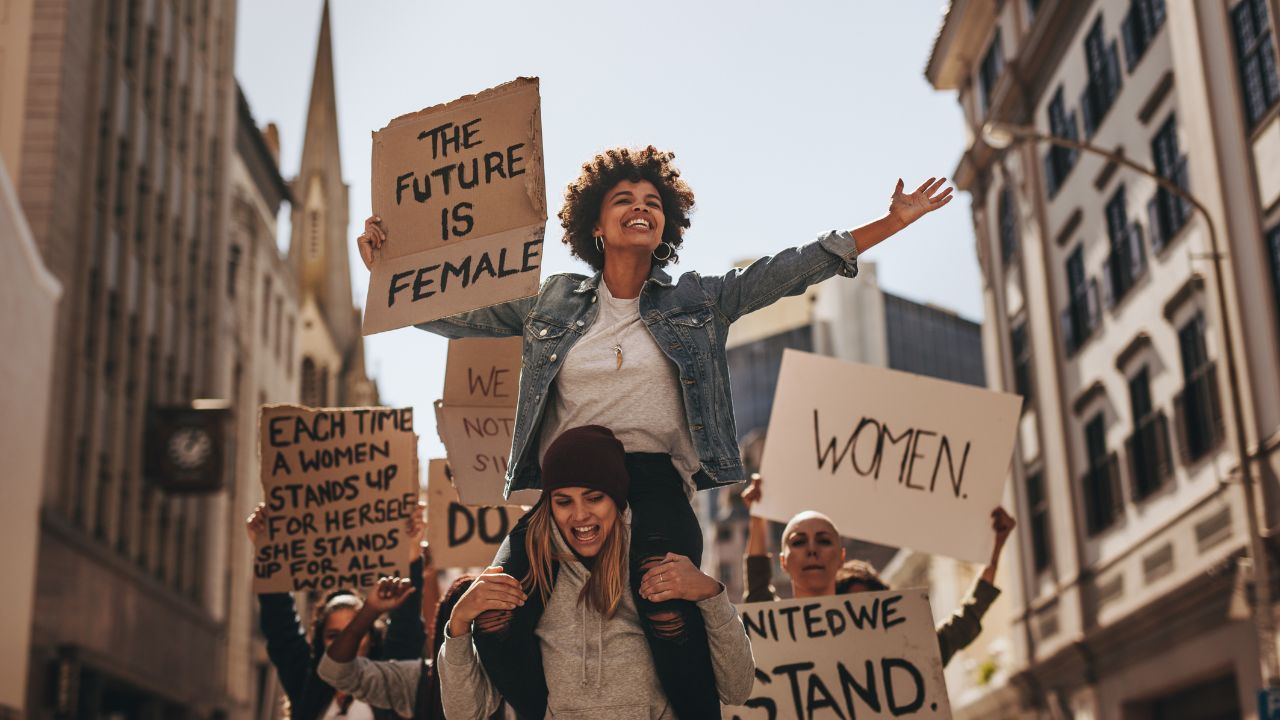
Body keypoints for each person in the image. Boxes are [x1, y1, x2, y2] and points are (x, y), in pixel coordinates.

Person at [357, 146, 952, 716]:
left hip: (651, 477)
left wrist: (890, 223)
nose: (640, 206)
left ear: (665, 224)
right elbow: (460, 314)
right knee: (491, 606)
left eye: (652, 200)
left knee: (661, 598)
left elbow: (787, 271)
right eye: (623, 198)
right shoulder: (552, 301)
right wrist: (385, 269)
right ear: (595, 222)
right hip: (568, 485)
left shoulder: (699, 299)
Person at [320, 426, 755, 719]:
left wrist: (712, 594)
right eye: (563, 501)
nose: (580, 515)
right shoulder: (534, 586)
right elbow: (465, 712)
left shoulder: (660, 574)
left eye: (594, 498)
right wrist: (458, 626)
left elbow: (737, 687)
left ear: (618, 501)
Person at [739, 474, 1016, 666]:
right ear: (783, 561)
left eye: (824, 541)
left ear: (840, 557)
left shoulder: (902, 650)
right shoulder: (774, 632)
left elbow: (965, 620)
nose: (812, 550)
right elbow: (758, 588)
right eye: (799, 542)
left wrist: (995, 548)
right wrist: (758, 516)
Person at [247, 502, 428, 720]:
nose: (347, 641)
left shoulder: (389, 683)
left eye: (357, 631)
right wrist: (265, 551)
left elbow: (406, 625)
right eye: (334, 635)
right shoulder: (306, 683)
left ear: (371, 638)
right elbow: (281, 628)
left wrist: (411, 552)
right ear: (320, 641)